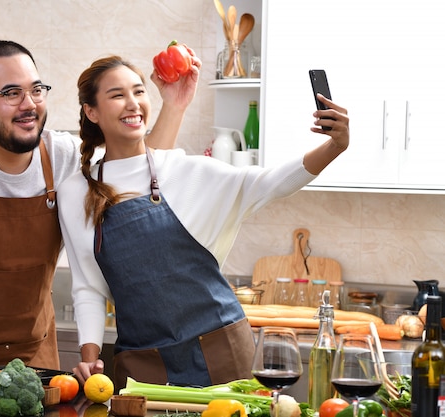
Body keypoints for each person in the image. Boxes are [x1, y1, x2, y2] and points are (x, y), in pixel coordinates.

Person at [0, 40, 200, 368]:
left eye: (36, 90)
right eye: (11, 93)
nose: (29, 104)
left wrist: (174, 106)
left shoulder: (63, 156)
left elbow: (135, 174)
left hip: (34, 366)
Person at [57, 56, 350, 391]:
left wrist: (334, 147)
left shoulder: (186, 170)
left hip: (222, 348)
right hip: (142, 361)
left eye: (139, 91)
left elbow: (272, 182)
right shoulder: (75, 192)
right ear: (91, 111)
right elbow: (87, 288)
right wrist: (90, 355)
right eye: (117, 95)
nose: (133, 103)